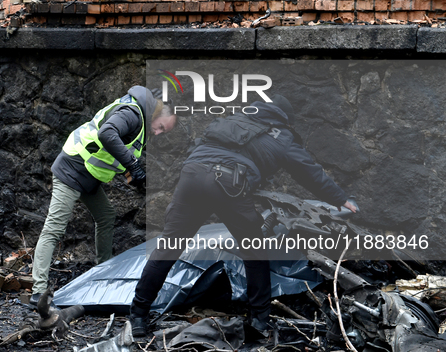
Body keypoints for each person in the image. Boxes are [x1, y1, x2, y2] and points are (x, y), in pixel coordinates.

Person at [129, 94, 357, 336]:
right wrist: (340, 199)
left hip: (192, 175)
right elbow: (309, 173)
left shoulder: (235, 120)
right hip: (229, 182)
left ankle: (138, 317)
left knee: (168, 247)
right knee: (254, 249)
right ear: (284, 119)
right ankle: (259, 321)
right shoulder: (282, 136)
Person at [30, 86, 177, 307]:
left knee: (106, 215)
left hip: (87, 176)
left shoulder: (141, 122)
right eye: (160, 128)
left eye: (162, 132)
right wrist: (132, 165)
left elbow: (116, 152)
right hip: (71, 169)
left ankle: (103, 273)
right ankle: (37, 292)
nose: (158, 133)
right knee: (55, 228)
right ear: (157, 115)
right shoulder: (132, 113)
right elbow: (107, 133)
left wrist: (133, 175)